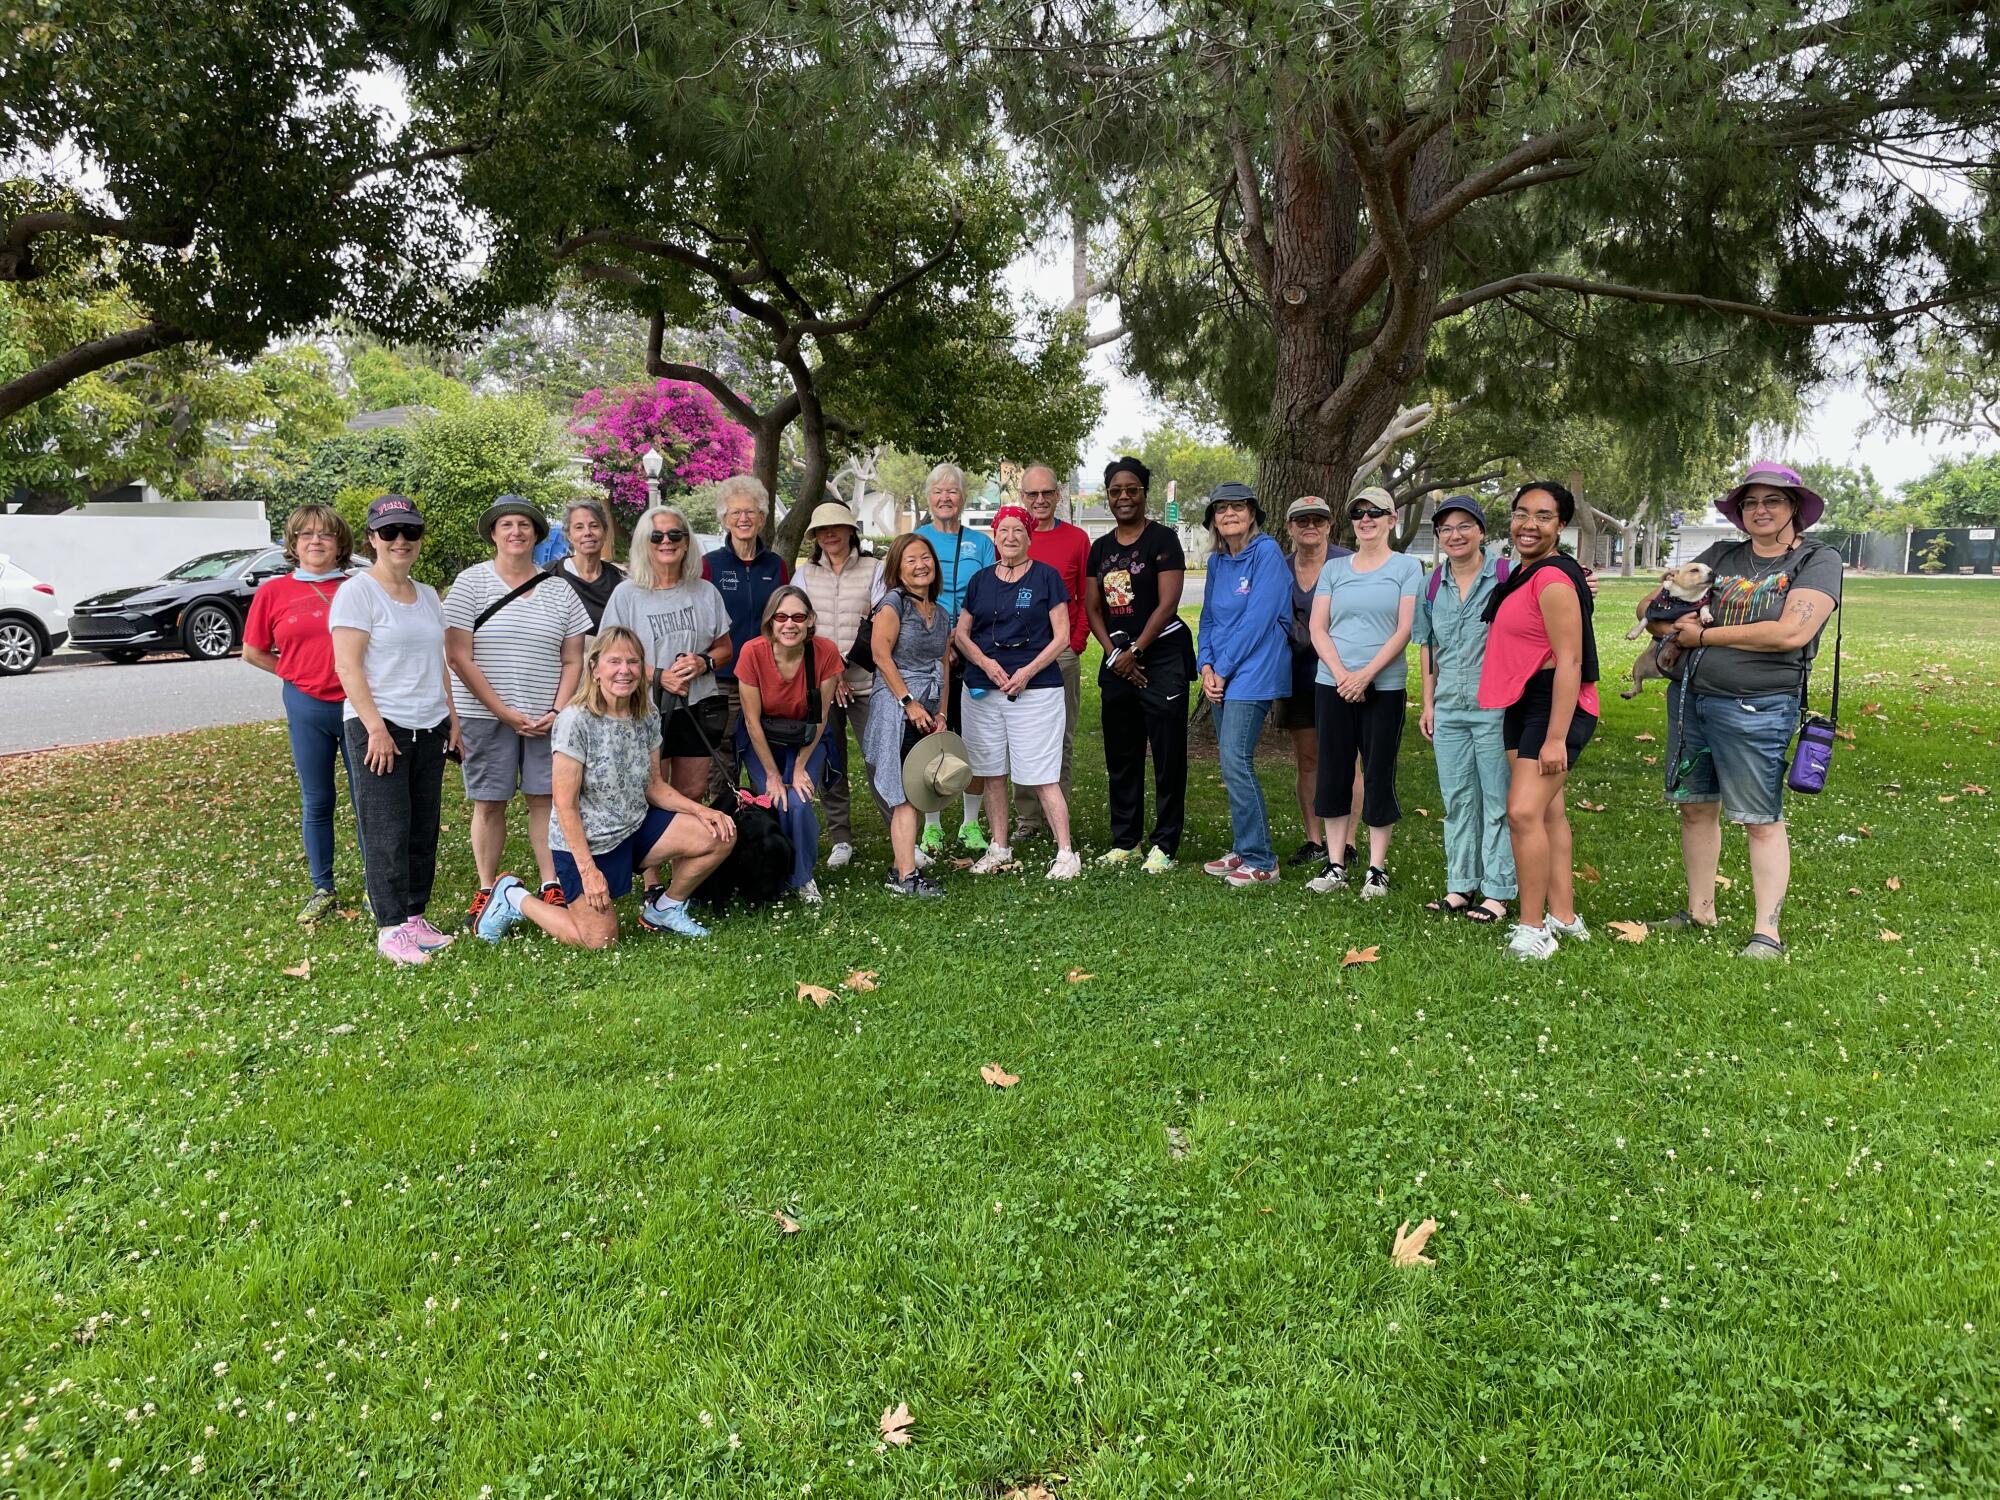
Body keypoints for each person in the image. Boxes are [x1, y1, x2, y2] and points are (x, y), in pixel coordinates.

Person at [1650, 461, 1842, 960]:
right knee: (1694, 807)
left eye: (1772, 501)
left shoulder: (1817, 560)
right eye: (1750, 502)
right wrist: (1670, 611)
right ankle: (1700, 910)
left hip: (1758, 705)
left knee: (1759, 817)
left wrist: (1702, 634)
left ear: (1794, 508)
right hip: (1692, 696)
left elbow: (1790, 633)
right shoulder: (1722, 554)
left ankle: (1767, 933)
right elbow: (1652, 608)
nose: (1759, 510)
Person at [474, 627, 736, 946]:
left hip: (635, 827)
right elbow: (565, 805)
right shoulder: (575, 721)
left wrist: (701, 811)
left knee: (721, 832)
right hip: (589, 843)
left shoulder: (647, 713)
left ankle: (665, 909)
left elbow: (654, 785)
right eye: (614, 662)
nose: (624, 670)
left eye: (633, 661)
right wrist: (588, 871)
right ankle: (513, 896)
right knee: (600, 940)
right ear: (595, 669)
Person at [443, 496, 591, 930]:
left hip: (547, 718)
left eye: (524, 525)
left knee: (545, 799)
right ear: (493, 533)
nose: (515, 532)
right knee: (489, 801)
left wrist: (557, 709)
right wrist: (503, 711)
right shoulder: (470, 584)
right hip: (484, 715)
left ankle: (551, 882)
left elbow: (573, 659)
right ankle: (488, 886)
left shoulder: (559, 589)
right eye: (506, 525)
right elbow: (458, 657)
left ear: (536, 535)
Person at [328, 495, 461, 967]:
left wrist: (453, 716)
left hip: (429, 726)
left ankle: (414, 917)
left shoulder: (427, 595)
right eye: (389, 533)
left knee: (423, 828)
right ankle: (389, 927)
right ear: (372, 539)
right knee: (387, 829)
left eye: (410, 532)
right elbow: (348, 667)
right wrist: (376, 729)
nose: (400, 541)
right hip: (381, 727)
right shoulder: (357, 593)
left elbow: (439, 663)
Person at [1478, 480, 1600, 961]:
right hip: (1522, 699)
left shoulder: (1552, 579)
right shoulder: (1524, 573)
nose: (1530, 524)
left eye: (1544, 516)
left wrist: (1555, 739)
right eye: (1522, 513)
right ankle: (1563, 917)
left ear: (1561, 525)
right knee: (1548, 812)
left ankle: (1533, 928)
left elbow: (1571, 662)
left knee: (1523, 812)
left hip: (1554, 703)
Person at [244, 503, 368, 924]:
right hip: (306, 705)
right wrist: (295, 673)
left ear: (340, 544)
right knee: (318, 799)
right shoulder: (273, 592)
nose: (316, 541)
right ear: (294, 544)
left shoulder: (359, 587)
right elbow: (253, 651)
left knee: (366, 798)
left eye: (326, 534)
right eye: (306, 534)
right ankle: (323, 885)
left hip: (358, 706)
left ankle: (377, 883)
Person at [1306, 486, 1424, 898]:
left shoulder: (1408, 568)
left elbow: (1405, 628)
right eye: (1358, 512)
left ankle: (1376, 868)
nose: (1366, 518)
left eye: (1376, 512)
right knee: (1334, 772)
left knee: (1377, 772)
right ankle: (1335, 864)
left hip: (1384, 686)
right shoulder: (1334, 570)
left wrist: (1366, 676)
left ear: (1392, 520)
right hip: (1332, 684)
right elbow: (1317, 627)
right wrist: (1342, 674)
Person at [953, 505, 1082, 880]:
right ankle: (998, 846)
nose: (1010, 537)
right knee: (991, 771)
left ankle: (1065, 852)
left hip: (1036, 689)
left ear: (1029, 537)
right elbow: (962, 633)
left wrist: (1026, 672)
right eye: (1003, 530)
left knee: (1042, 773)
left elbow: (1060, 637)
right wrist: (987, 665)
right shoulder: (979, 580)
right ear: (994, 535)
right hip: (983, 689)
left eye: (1018, 531)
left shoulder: (1047, 578)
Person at [1084, 455, 1191, 873]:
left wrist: (1137, 651)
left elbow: (1168, 603)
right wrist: (1115, 654)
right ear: (1108, 496)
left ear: (1144, 493)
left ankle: (1164, 842)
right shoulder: (1101, 548)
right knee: (1122, 753)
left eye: (1132, 490)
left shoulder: (1163, 540)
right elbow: (1093, 608)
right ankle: (1125, 840)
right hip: (1117, 659)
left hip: (1160, 655)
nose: (1123, 497)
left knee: (1167, 753)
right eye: (1115, 491)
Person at [1414, 496, 1515, 925]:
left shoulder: (1507, 576)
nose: (1455, 535)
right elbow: (1427, 645)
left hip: (1496, 705)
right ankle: (1460, 885)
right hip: (1449, 707)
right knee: (1457, 800)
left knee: (1497, 799)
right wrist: (1427, 701)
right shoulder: (1432, 584)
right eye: (1446, 529)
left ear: (1481, 530)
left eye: (1464, 526)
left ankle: (1497, 891)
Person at [599, 504, 735, 802]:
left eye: (675, 534)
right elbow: (608, 657)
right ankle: (654, 848)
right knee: (650, 792)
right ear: (644, 543)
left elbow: (726, 648)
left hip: (697, 706)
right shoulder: (627, 595)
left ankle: (684, 849)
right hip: (644, 707)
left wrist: (704, 662)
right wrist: (660, 677)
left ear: (687, 542)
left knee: (691, 792)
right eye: (656, 536)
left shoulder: (705, 592)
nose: (666, 541)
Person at [1196, 482, 1292, 888]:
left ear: (1252, 514)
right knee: (1229, 762)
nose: (1229, 514)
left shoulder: (1267, 553)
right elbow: (1208, 618)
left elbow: (1258, 619)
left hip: (1254, 671)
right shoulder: (1218, 562)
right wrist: (1205, 667)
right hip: (1220, 672)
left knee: (1236, 759)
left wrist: (1225, 667)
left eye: (1237, 507)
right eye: (1221, 509)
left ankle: (1261, 859)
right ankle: (1243, 846)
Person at [735, 584, 846, 902]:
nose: (789, 624)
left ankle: (801, 877)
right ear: (770, 621)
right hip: (763, 741)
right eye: (781, 616)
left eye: (798, 616)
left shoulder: (825, 652)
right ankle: (775, 868)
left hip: (807, 738)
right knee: (776, 797)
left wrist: (799, 767)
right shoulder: (752, 652)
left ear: (810, 619)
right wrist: (771, 774)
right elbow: (752, 722)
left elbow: (821, 716)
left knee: (796, 799)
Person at [795, 501, 885, 871]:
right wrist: (831, 676)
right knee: (831, 764)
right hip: (821, 685)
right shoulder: (804, 575)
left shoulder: (874, 569)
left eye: (837, 527)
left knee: (879, 759)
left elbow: (880, 622)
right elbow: (797, 628)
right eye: (822, 529)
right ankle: (841, 839)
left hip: (865, 682)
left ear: (851, 530)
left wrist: (846, 671)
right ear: (815, 536)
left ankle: (899, 830)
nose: (830, 534)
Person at [914, 462, 995, 855]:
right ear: (928, 498)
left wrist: (963, 639)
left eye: (953, 492)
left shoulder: (981, 544)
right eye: (938, 492)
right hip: (929, 653)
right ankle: (931, 825)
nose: (945, 498)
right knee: (934, 738)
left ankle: (970, 824)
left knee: (974, 742)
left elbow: (992, 596)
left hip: (973, 653)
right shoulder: (916, 539)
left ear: (963, 499)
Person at [863, 533, 952, 896]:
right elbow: (880, 655)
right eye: (911, 560)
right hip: (897, 707)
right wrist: (908, 702)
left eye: (925, 557)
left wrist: (942, 710)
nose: (921, 565)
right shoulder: (892, 604)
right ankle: (905, 877)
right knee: (902, 792)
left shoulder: (942, 611)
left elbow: (944, 662)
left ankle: (902, 868)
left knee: (917, 787)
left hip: (930, 705)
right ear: (898, 569)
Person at [1274, 496, 1356, 870]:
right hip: (1298, 676)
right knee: (1308, 760)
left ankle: (1350, 842)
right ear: (1289, 526)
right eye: (1302, 519)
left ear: (1329, 525)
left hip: (1343, 674)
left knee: (1348, 759)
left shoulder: (1348, 562)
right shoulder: (1279, 567)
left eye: (1318, 519)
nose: (1311, 525)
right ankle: (1314, 839)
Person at [1012, 463, 1091, 842]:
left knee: (1061, 738)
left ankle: (1056, 812)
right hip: (1017, 659)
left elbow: (1087, 596)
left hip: (1061, 655)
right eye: (1032, 494)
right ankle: (1027, 820)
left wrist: (1075, 642)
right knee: (1021, 737)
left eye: (1047, 493)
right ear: (1022, 498)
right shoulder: (1011, 538)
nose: (1040, 500)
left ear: (1058, 494)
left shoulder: (1076, 539)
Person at [702, 475, 790, 799]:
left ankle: (762, 819)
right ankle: (723, 823)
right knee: (721, 756)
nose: (743, 519)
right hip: (723, 678)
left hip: (767, 677)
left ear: (763, 518)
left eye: (751, 512)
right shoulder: (709, 566)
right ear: (725, 519)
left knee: (761, 751)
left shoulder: (776, 566)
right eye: (736, 512)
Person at [550, 498, 625, 629]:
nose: (587, 533)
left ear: (605, 532)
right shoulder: (550, 575)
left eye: (594, 526)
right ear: (569, 535)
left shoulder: (621, 581)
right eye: (579, 527)